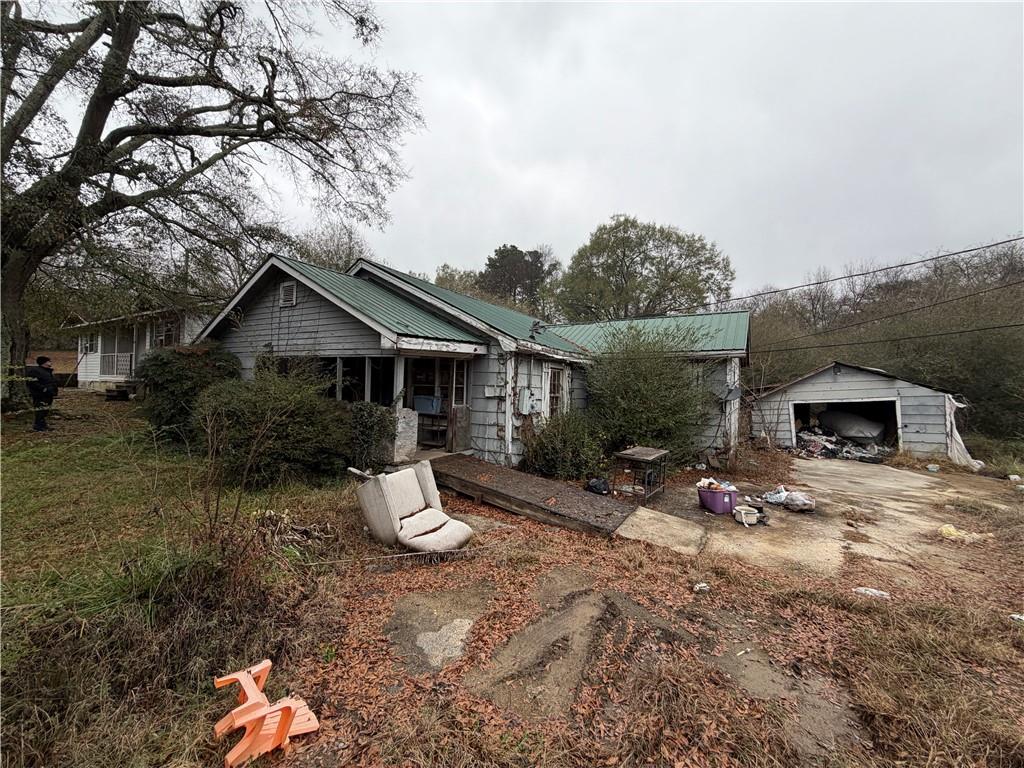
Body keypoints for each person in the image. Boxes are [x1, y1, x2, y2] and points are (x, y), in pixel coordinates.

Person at [25, 356, 59, 432]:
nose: (50, 362)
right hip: (40, 395)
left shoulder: (48, 371)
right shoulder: (35, 371)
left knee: (45, 410)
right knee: (40, 410)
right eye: (49, 361)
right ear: (44, 362)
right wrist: (43, 389)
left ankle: (43, 425)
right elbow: (32, 382)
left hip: (49, 394)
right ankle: (38, 426)